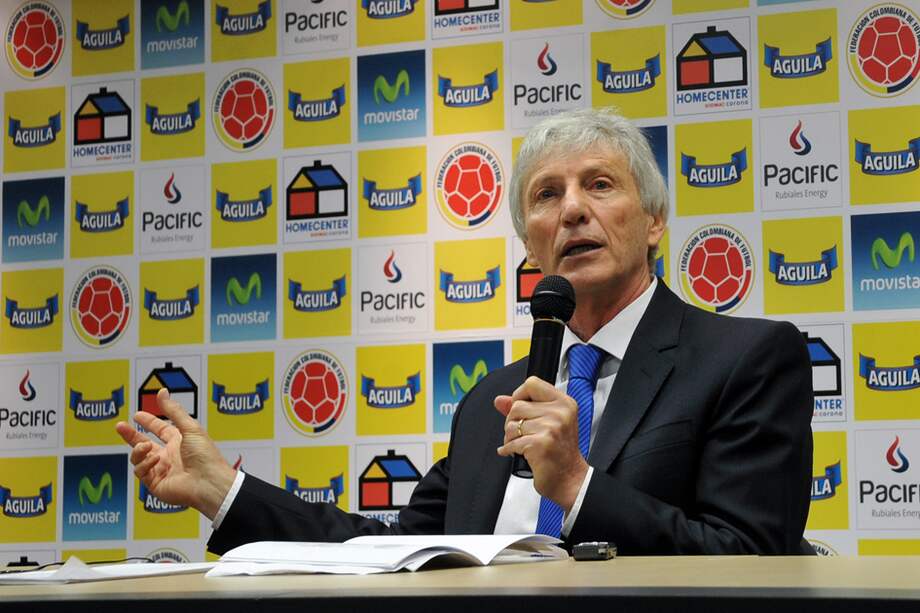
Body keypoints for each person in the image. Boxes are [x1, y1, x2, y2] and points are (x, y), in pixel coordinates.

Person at [117, 107, 814, 555]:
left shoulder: (745, 358)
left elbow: (752, 560)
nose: (572, 210)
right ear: (529, 246)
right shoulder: (495, 398)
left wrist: (576, 483)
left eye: (599, 185)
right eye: (547, 195)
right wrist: (224, 492)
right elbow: (391, 550)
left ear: (655, 221)